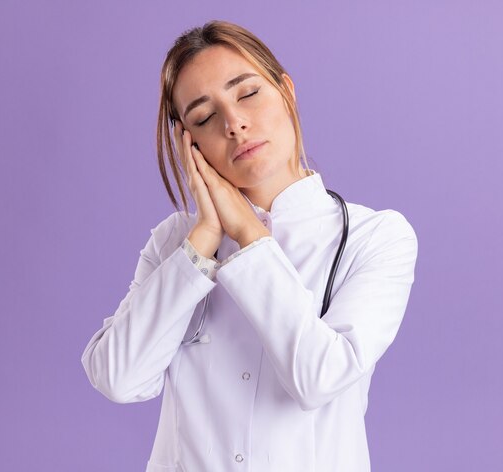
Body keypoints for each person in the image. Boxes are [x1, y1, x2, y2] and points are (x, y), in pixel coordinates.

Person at [81, 19, 418, 472]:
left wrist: (250, 236)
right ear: (191, 144)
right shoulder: (175, 243)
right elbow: (118, 378)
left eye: (247, 93)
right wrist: (202, 243)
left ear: (287, 92)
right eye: (204, 117)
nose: (234, 123)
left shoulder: (374, 237)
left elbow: (318, 379)